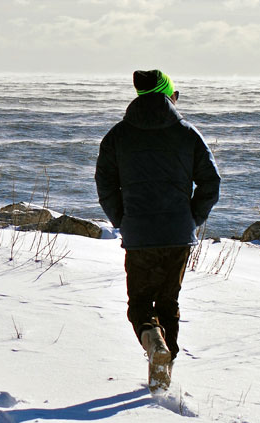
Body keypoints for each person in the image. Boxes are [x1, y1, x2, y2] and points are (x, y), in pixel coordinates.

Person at [94, 69, 220, 391]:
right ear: (170, 97)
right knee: (168, 303)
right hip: (177, 234)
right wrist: (192, 218)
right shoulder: (187, 133)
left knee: (139, 304)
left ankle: (152, 341)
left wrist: (122, 219)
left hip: (139, 235)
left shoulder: (117, 136)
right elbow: (210, 181)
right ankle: (163, 375)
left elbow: (105, 183)